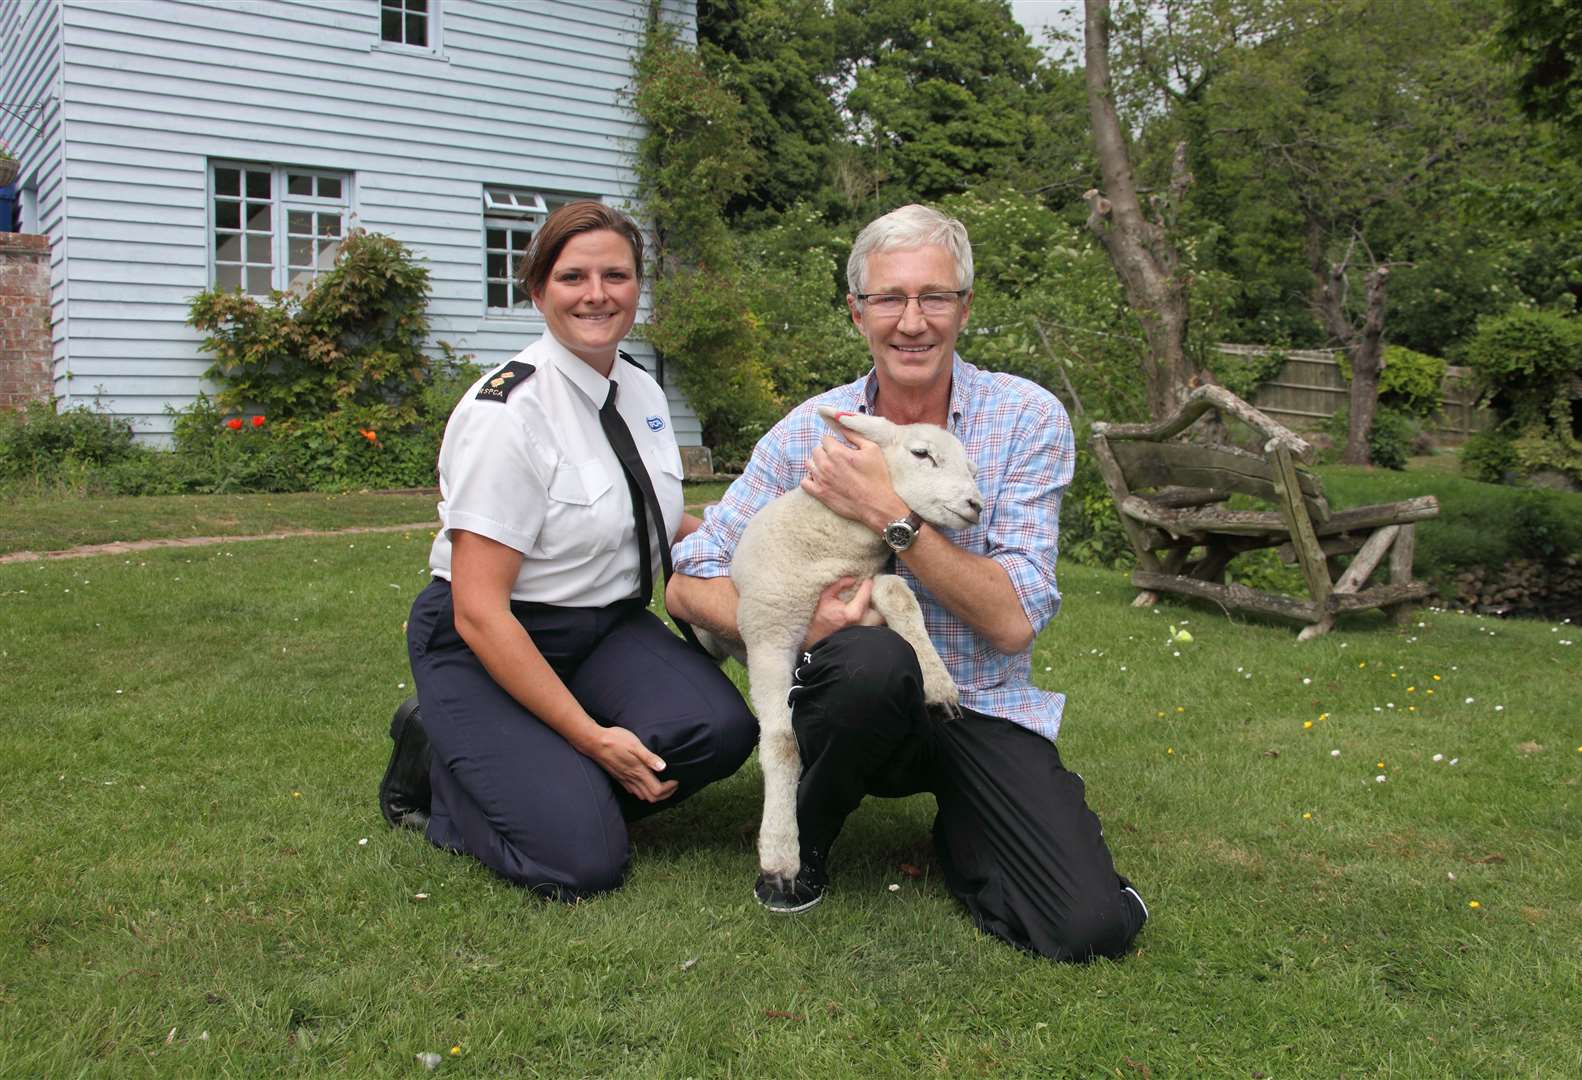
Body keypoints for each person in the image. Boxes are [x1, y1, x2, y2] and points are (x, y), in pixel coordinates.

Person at [666, 204, 1147, 962]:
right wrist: (797, 621)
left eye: (935, 297)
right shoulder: (810, 432)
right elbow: (689, 578)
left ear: (965, 307)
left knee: (1088, 928)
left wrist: (890, 516)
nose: (912, 321)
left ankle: (970, 830)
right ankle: (804, 835)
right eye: (888, 298)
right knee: (866, 661)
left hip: (978, 703)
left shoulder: (1024, 418)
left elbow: (1015, 620)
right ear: (857, 313)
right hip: (848, 701)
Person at [377, 201, 756, 900]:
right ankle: (437, 771)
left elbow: (648, 511)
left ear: (637, 288)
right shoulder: (506, 413)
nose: (596, 294)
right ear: (537, 290)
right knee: (582, 863)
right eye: (572, 276)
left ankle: (548, 786)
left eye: (615, 274)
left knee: (721, 730)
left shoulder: (639, 390)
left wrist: (742, 543)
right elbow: (480, 611)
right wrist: (589, 739)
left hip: (605, 626)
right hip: (490, 639)